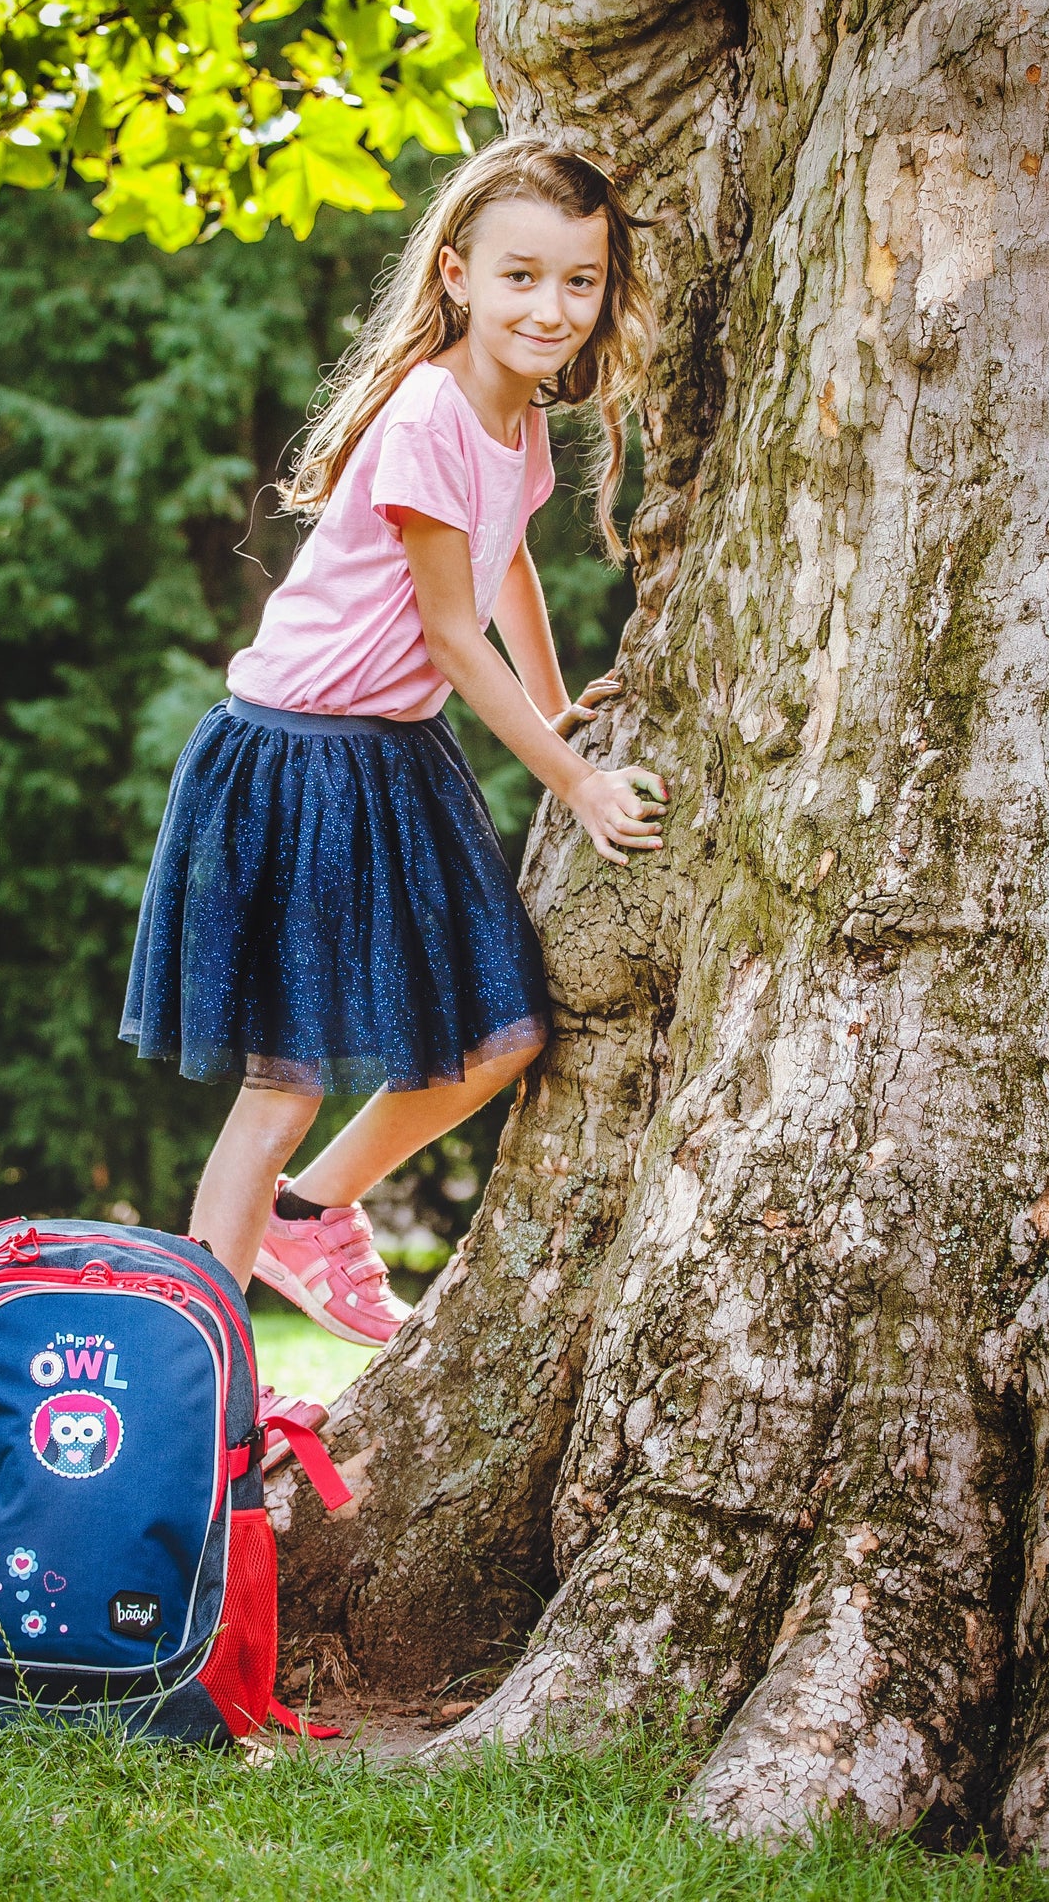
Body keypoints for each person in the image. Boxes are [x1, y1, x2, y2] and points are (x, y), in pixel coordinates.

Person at [120, 138, 668, 1347]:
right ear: (460, 275)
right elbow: (447, 632)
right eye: (521, 275)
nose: (552, 307)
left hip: (391, 754)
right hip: (293, 760)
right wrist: (571, 779)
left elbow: (507, 556)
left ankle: (311, 1212)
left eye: (579, 281)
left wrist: (559, 695)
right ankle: (200, 1368)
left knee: (505, 1030)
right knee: (284, 1083)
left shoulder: (517, 413)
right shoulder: (428, 409)